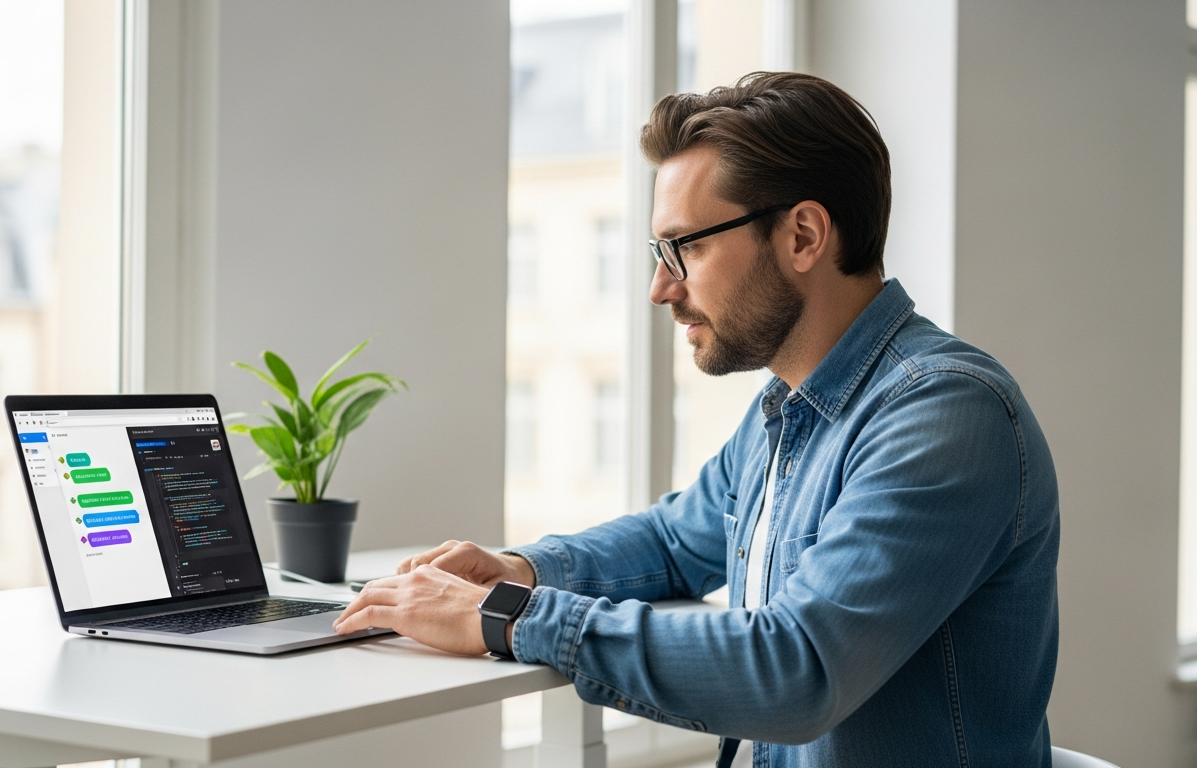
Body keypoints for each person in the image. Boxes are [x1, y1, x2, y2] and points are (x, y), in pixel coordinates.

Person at [334, 71, 1058, 767]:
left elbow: (796, 671)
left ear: (803, 236)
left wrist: (512, 615)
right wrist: (522, 567)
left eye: (687, 247)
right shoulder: (790, 407)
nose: (659, 288)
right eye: (660, 251)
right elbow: (677, 541)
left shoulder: (943, 415)